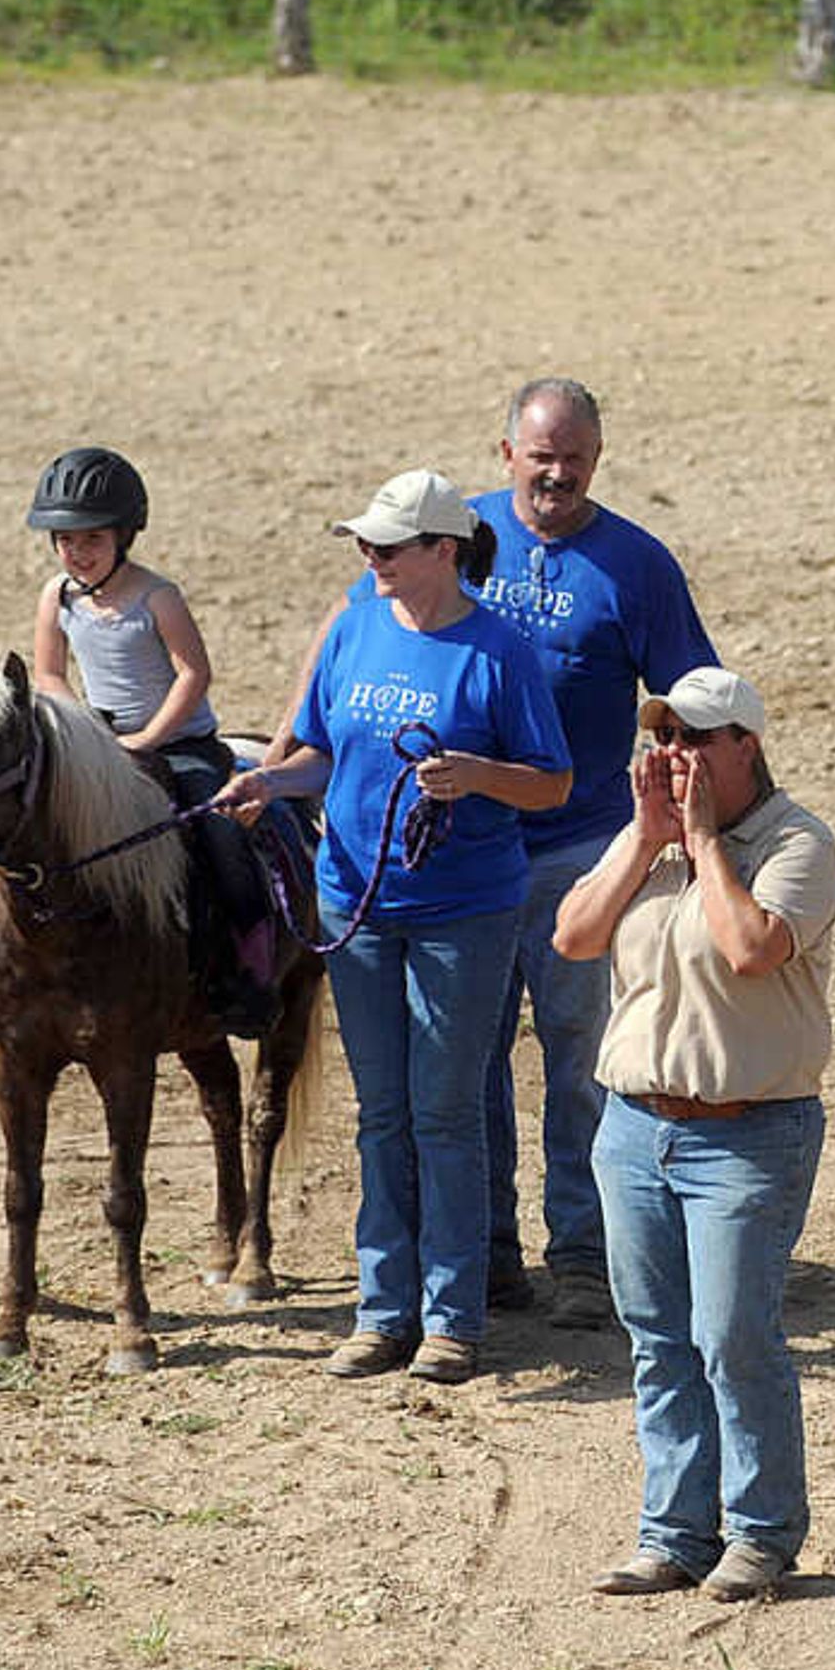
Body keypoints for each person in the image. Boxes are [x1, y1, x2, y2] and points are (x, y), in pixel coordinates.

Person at [213, 470, 572, 1385]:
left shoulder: (499, 653)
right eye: (366, 545)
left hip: (465, 911)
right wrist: (269, 780)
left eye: (387, 547)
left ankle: (451, 1317)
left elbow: (552, 782)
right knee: (384, 1114)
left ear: (443, 552)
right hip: (357, 902)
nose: (370, 559)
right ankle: (384, 1309)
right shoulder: (355, 629)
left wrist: (476, 776)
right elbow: (324, 756)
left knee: (444, 1111)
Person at [553, 666, 835, 1604]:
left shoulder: (798, 844)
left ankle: (760, 1534)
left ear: (745, 746)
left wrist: (707, 843)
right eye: (664, 738)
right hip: (635, 1128)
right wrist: (645, 843)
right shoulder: (649, 845)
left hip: (748, 1137)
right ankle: (674, 1533)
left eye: (695, 738)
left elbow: (750, 947)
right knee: (657, 1338)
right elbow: (572, 935)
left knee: (731, 1337)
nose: (674, 755)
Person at [462, 378, 718, 1330]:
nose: (557, 474)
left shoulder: (636, 565)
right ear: (507, 455)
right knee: (472, 1058)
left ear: (597, 460)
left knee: (581, 1056)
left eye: (573, 458)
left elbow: (689, 695)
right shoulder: (461, 542)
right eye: (541, 456)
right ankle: (483, 1250)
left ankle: (581, 1253)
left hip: (585, 847)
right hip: (470, 852)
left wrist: (702, 822)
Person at [2, 444, 278, 1034]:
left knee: (222, 836)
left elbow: (193, 674)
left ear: (125, 536)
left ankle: (250, 967)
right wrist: (85, 736)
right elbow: (49, 672)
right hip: (100, 739)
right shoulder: (57, 596)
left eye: (93, 540)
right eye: (67, 541)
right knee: (12, 812)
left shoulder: (157, 597)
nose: (78, 553)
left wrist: (147, 739)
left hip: (181, 744)